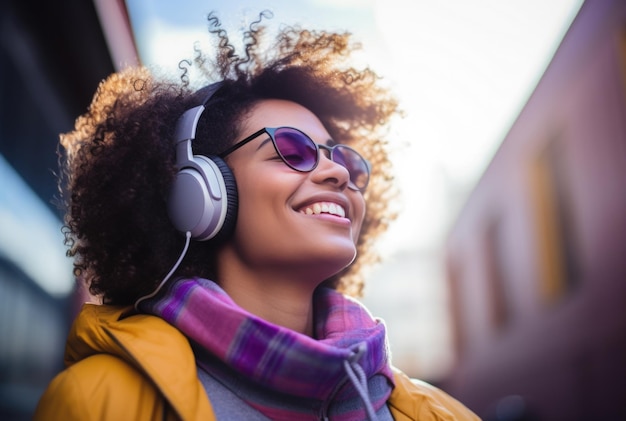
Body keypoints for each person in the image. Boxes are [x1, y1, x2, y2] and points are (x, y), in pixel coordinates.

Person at [34, 11, 480, 421]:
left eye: (344, 160)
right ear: (200, 190)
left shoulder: (439, 414)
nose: (338, 172)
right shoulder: (99, 401)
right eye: (291, 151)